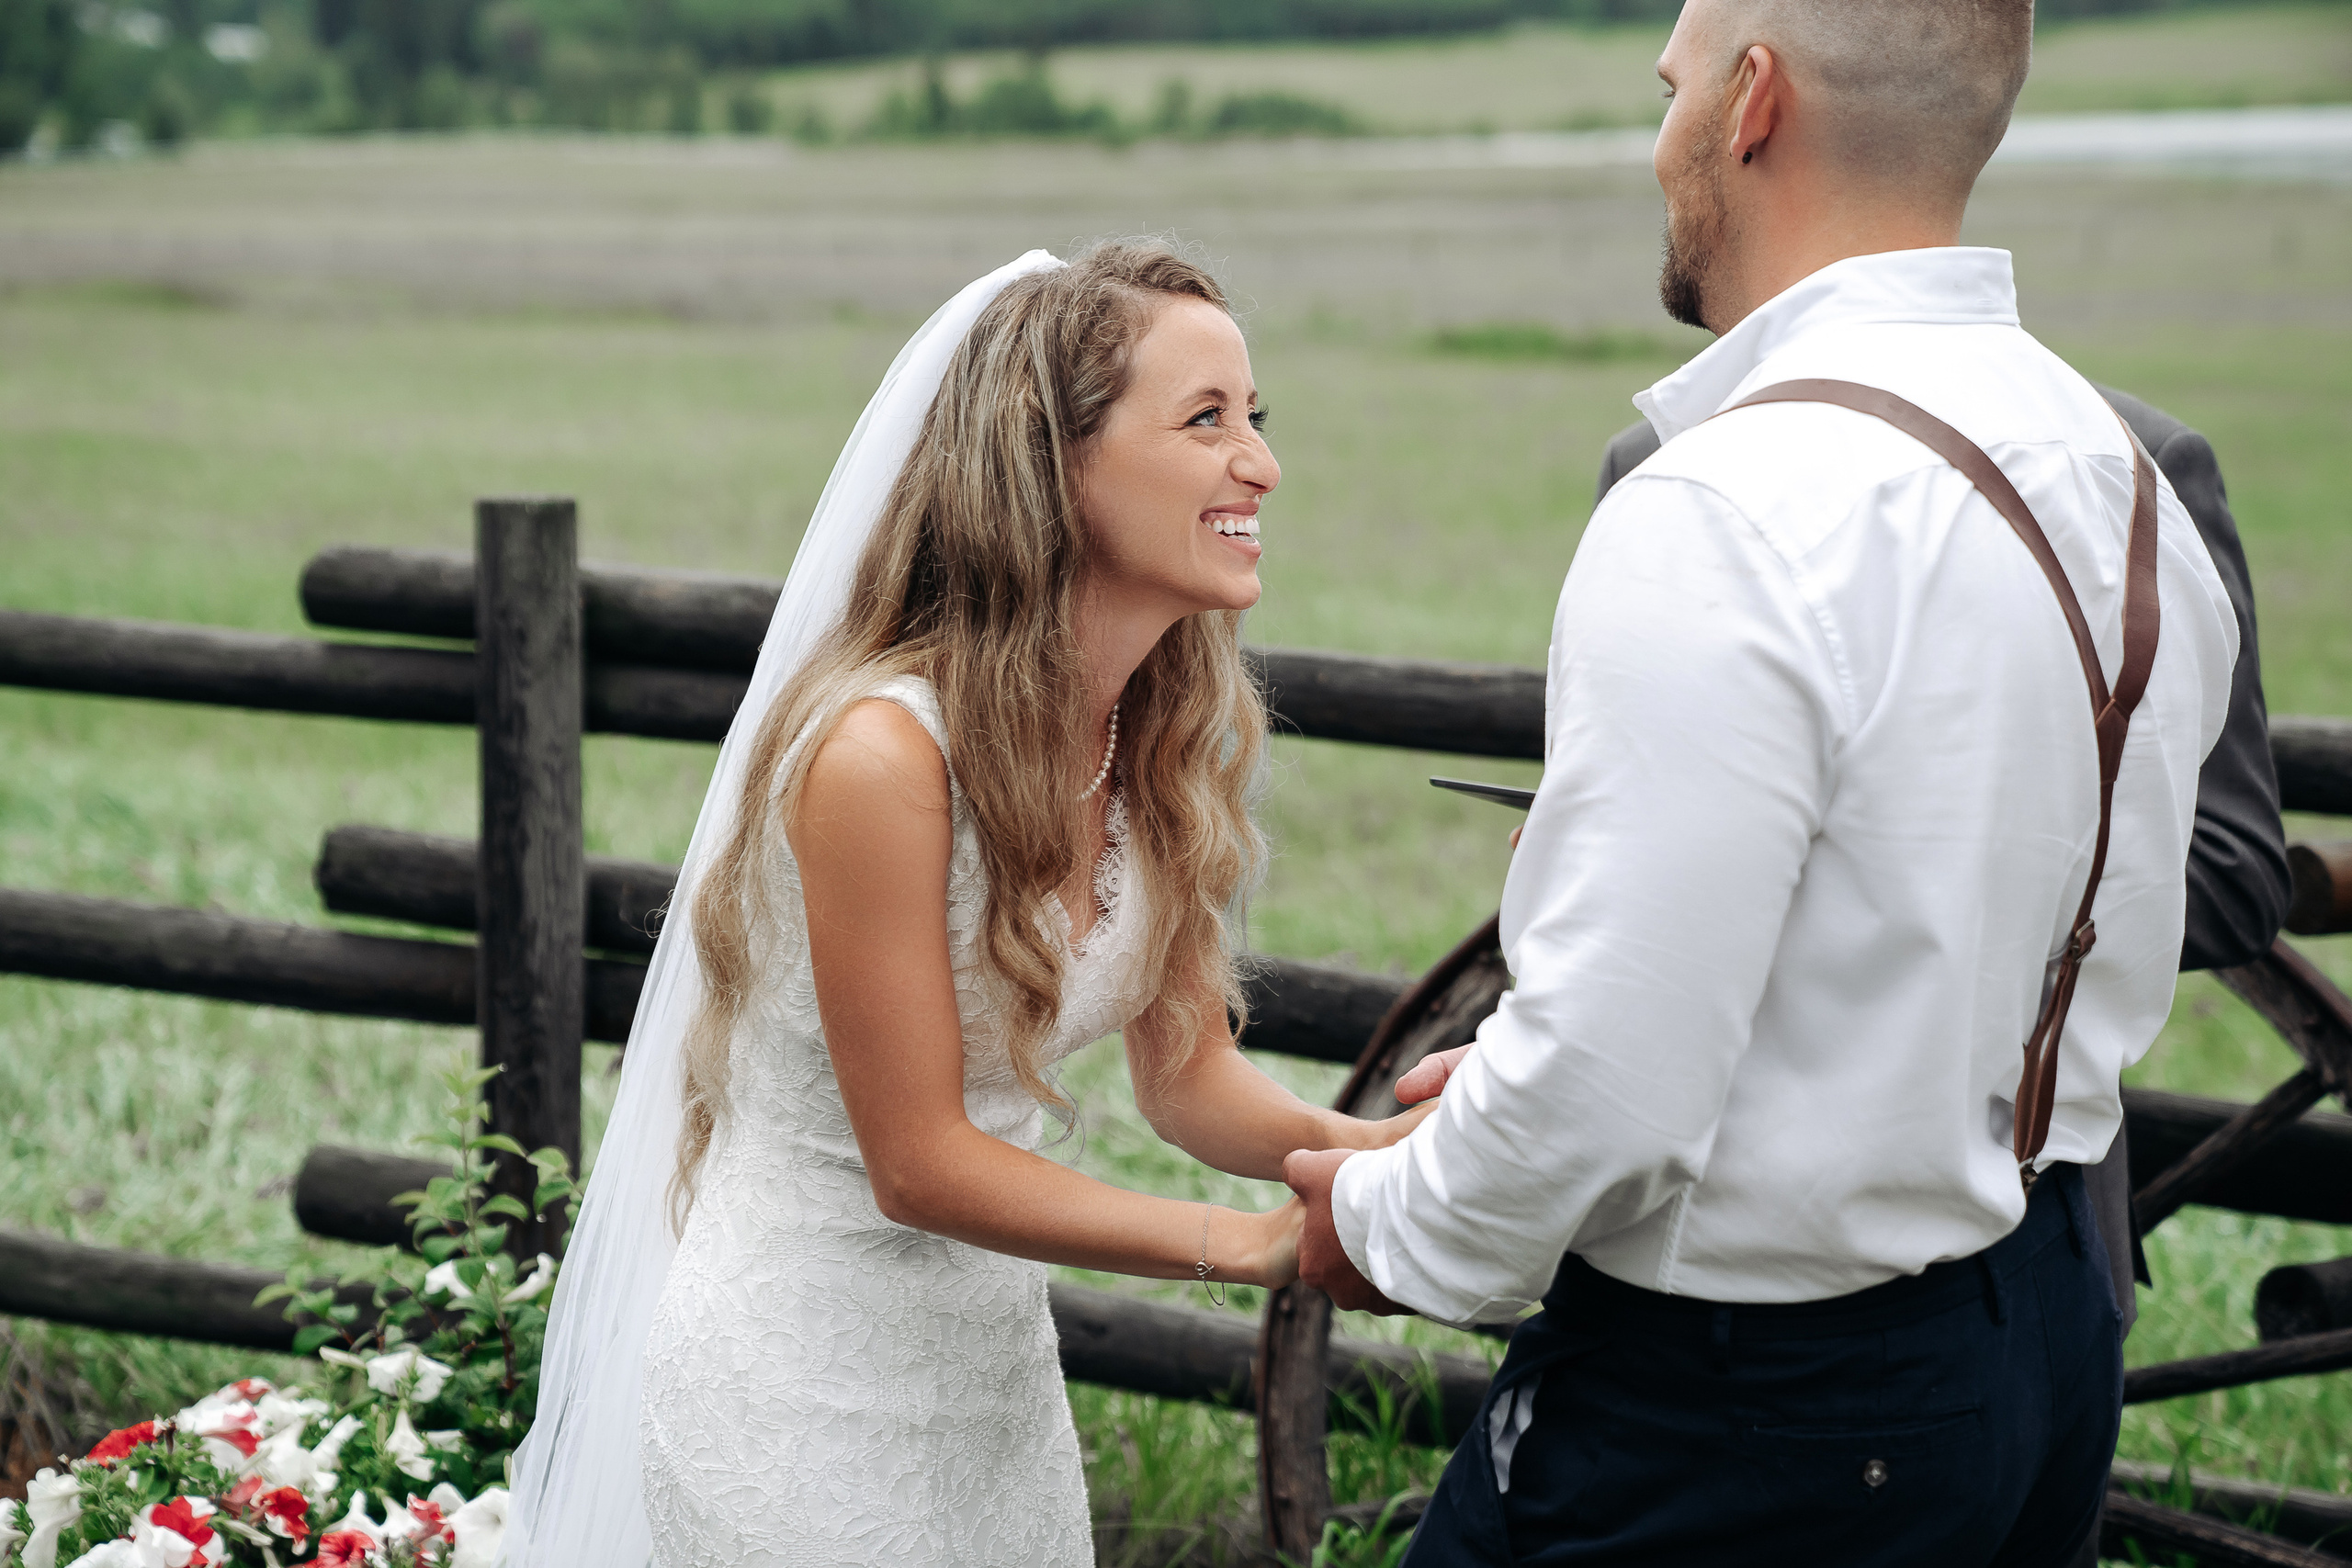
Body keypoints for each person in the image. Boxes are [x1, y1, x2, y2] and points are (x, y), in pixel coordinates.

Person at [1283, 2, 2246, 1564]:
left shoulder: (1729, 505)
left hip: (1757, 1398)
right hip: (2048, 1322)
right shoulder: (2117, 474)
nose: (1658, 141)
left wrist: (1391, 1222)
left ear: (1753, 103)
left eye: (1669, 92)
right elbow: (1893, 951)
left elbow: (1608, 1080)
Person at [505, 243, 1424, 1568]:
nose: (1261, 465)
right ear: (1056, 461)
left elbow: (1191, 1082)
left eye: (1256, 418)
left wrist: (1390, 1161)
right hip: (791, 1399)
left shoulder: (1148, 745)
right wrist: (1258, 1245)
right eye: (1206, 420)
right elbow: (919, 1160)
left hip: (990, 1392)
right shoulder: (883, 755)